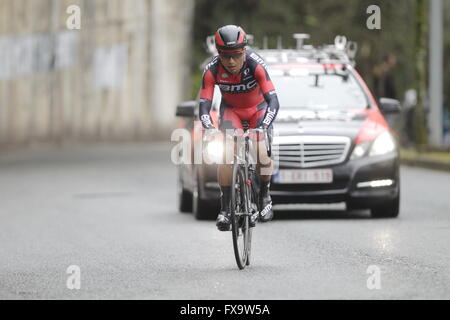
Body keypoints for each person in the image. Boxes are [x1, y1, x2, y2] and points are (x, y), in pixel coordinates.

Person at [198, 25, 280, 231]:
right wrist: (209, 129)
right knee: (226, 155)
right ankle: (225, 208)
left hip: (258, 110)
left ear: (244, 51)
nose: (231, 61)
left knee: (260, 149)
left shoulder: (255, 64)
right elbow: (204, 106)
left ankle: (264, 196)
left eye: (236, 55)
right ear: (218, 54)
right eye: (225, 56)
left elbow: (273, 101)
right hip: (232, 111)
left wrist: (264, 126)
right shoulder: (212, 70)